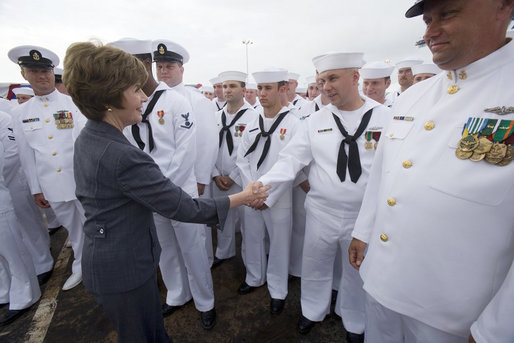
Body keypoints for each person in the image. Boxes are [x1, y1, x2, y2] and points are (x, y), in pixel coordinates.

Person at [64, 41, 268, 343]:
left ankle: (204, 302)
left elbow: (188, 150)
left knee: (192, 251)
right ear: (111, 96)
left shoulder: (91, 136)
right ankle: (177, 294)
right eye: (135, 91)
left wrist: (166, 188)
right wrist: (244, 196)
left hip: (161, 194)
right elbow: (186, 206)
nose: (143, 97)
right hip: (134, 240)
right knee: (165, 262)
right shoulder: (119, 153)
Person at [349, 1, 514, 342]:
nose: (430, 32)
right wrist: (363, 230)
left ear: (503, 7)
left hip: (455, 313)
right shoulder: (414, 97)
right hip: (382, 279)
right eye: (427, 20)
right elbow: (384, 174)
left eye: (448, 14)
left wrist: (496, 331)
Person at [256, 52, 391, 342]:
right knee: (315, 265)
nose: (326, 86)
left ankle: (353, 320)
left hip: (363, 216)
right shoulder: (314, 121)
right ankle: (312, 311)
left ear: (355, 77)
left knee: (357, 272)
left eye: (332, 78)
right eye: (321, 80)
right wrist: (261, 186)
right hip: (322, 211)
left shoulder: (385, 118)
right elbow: (290, 160)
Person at [8, 44, 86, 291]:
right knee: (73, 229)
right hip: (51, 183)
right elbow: (26, 154)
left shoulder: (73, 103)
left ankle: (89, 265)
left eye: (46, 71)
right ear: (24, 75)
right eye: (34, 71)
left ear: (53, 73)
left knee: (92, 223)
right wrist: (35, 188)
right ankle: (83, 266)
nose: (42, 76)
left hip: (80, 179)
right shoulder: (20, 113)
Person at [236, 67, 302, 315]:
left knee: (279, 243)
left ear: (283, 89)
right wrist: (251, 190)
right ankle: (254, 277)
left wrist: (267, 194)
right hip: (251, 193)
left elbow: (292, 165)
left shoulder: (295, 124)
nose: (262, 94)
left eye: (268, 88)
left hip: (278, 196)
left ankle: (277, 289)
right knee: (252, 238)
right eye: (260, 88)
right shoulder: (253, 122)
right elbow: (241, 158)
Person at [212, 70, 258, 267]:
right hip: (218, 177)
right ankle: (224, 253)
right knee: (222, 220)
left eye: (232, 86)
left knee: (249, 226)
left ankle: (252, 266)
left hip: (241, 180)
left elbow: (252, 154)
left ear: (243, 89)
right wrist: (214, 174)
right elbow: (208, 147)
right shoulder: (215, 116)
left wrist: (233, 176)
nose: (227, 90)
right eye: (224, 86)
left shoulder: (254, 116)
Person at [0, 111, 41, 327]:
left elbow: (12, 154)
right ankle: (4, 291)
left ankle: (25, 293)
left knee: (11, 246)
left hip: (4, 187)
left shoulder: (2, 118)